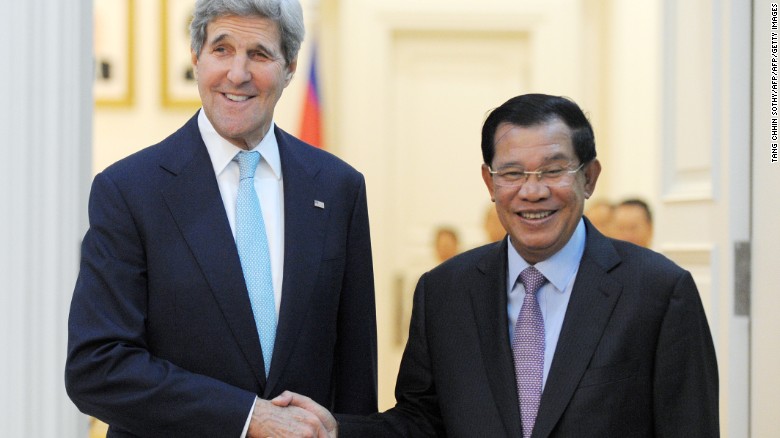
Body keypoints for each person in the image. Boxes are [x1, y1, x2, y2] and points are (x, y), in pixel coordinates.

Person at [279, 93, 720, 437]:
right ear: (490, 182)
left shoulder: (659, 292)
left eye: (553, 171)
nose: (532, 192)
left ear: (589, 177)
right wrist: (333, 429)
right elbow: (421, 425)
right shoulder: (444, 292)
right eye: (512, 173)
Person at [65, 0, 377, 436]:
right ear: (196, 58)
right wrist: (250, 417)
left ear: (289, 67)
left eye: (260, 54)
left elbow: (355, 375)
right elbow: (97, 368)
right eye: (222, 49)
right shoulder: (129, 191)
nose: (237, 73)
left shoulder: (338, 188)